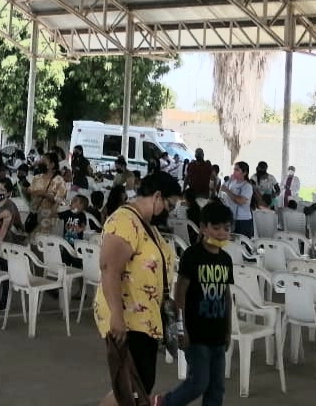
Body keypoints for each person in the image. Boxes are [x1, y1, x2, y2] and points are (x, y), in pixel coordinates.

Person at [94, 171, 182, 406]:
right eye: (169, 206)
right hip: (128, 317)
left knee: (136, 384)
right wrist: (116, 316)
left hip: (145, 317)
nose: (170, 212)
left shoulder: (145, 225)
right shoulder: (124, 222)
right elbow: (109, 268)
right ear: (157, 196)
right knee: (131, 387)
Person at [157, 200, 233, 406]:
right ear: (203, 228)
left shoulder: (226, 259)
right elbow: (180, 291)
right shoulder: (192, 255)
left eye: (226, 228)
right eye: (216, 228)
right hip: (196, 334)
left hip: (218, 334)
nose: (221, 233)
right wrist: (181, 328)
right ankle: (165, 403)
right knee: (198, 383)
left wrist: (228, 330)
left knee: (217, 387)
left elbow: (226, 295)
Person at [27, 153, 68, 235]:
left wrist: (44, 194)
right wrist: (33, 192)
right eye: (41, 161)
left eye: (43, 161)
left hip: (50, 218)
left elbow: (60, 200)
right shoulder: (36, 178)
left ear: (52, 165)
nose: (40, 163)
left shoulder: (59, 180)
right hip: (35, 214)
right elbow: (29, 191)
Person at [220, 161, 255, 237]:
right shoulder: (232, 183)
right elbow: (222, 190)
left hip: (243, 220)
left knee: (242, 241)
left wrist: (227, 191)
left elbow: (240, 201)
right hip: (232, 218)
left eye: (237, 170)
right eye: (234, 169)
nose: (234, 172)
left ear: (244, 173)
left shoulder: (247, 186)